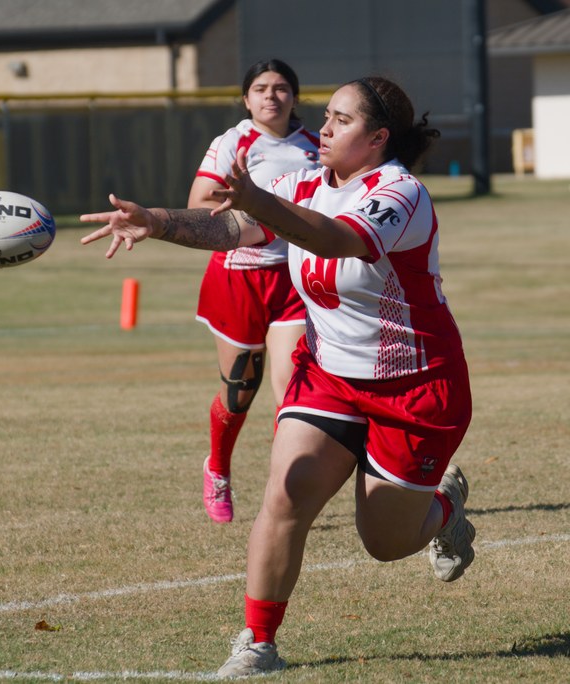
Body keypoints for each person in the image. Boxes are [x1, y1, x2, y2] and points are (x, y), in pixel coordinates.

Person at [80, 75, 475, 677]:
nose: (324, 127)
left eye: (342, 121)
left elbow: (336, 238)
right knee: (285, 493)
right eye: (327, 115)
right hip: (329, 376)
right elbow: (234, 229)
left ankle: (445, 510)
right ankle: (258, 643)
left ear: (377, 139)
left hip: (414, 387)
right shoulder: (303, 182)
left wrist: (259, 200)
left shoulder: (400, 193)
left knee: (385, 543)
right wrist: (156, 221)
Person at [189, 59, 320, 524]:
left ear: (294, 97)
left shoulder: (314, 147)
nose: (271, 96)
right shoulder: (233, 141)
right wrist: (262, 221)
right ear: (246, 99)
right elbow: (198, 205)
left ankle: (282, 491)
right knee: (240, 391)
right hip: (237, 276)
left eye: (282, 87)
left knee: (293, 392)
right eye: (261, 88)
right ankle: (218, 468)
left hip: (292, 279)